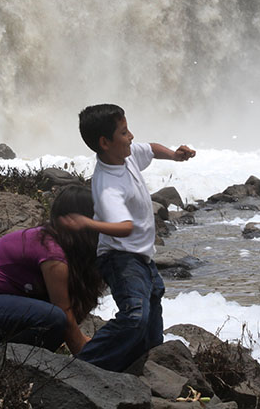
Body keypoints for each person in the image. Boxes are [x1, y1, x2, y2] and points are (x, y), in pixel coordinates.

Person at [69, 103, 195, 372]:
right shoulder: (108, 187)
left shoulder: (125, 155)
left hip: (141, 255)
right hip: (120, 258)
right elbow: (124, 227)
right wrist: (89, 222)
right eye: (124, 132)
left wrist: (174, 155)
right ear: (105, 142)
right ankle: (81, 366)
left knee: (151, 308)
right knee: (134, 315)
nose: (131, 137)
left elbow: (149, 148)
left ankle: (145, 364)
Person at [0, 184, 104, 355]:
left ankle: (5, 354)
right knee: (55, 319)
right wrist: (89, 358)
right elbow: (64, 313)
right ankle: (0, 359)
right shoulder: (53, 254)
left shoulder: (55, 240)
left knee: (59, 315)